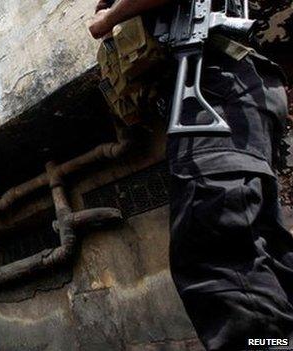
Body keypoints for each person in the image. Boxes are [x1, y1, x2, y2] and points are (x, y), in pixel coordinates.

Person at [89, 1, 293, 350]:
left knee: (219, 254)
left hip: (212, 87)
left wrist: (109, 18)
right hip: (231, 88)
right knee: (259, 248)